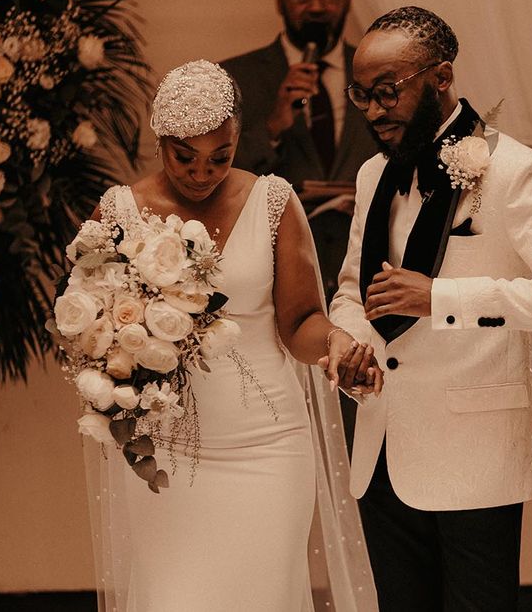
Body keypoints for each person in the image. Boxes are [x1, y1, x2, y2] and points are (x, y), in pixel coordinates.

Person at [326, 7, 532, 611]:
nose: (374, 111)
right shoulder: (374, 173)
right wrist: (348, 345)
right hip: (381, 451)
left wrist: (444, 299)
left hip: (476, 458)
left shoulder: (517, 170)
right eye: (362, 95)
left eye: (387, 92)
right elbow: (352, 290)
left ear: (441, 77)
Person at [84, 60, 380, 611]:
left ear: (239, 139)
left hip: (268, 448)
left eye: (220, 157)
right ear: (160, 142)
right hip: (166, 450)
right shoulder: (119, 211)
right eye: (185, 157)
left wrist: (335, 341)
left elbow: (298, 325)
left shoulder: (272, 202)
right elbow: (92, 334)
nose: (203, 173)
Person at [220, 0, 378, 303]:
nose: (318, 6)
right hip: (272, 274)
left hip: (368, 271)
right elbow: (211, 176)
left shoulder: (379, 72)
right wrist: (273, 126)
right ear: (279, 0)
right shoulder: (232, 78)